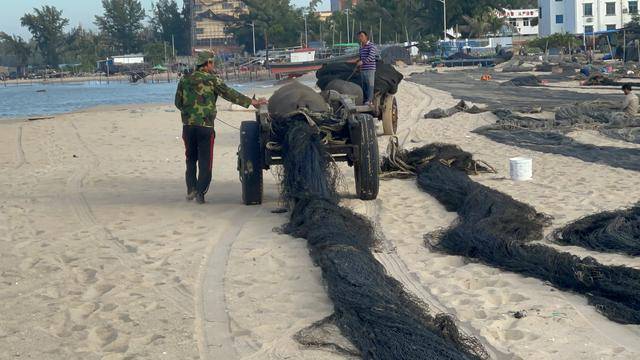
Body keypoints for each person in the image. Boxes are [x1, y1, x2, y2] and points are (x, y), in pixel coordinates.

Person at [175, 51, 266, 204]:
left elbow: (178, 103)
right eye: (212, 63)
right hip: (205, 127)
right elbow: (230, 94)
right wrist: (252, 102)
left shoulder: (185, 80)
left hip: (188, 127)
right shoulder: (212, 80)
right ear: (208, 63)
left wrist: (189, 112)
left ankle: (191, 188)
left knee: (190, 158)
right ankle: (200, 193)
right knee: (205, 161)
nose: (213, 66)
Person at [355, 31, 378, 105]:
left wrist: (362, 62)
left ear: (366, 37)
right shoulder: (361, 47)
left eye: (362, 36)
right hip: (363, 69)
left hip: (370, 69)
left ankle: (370, 100)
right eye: (359, 37)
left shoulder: (371, 46)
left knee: (370, 85)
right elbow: (361, 57)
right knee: (364, 85)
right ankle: (365, 99)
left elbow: (371, 57)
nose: (360, 38)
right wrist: (358, 64)